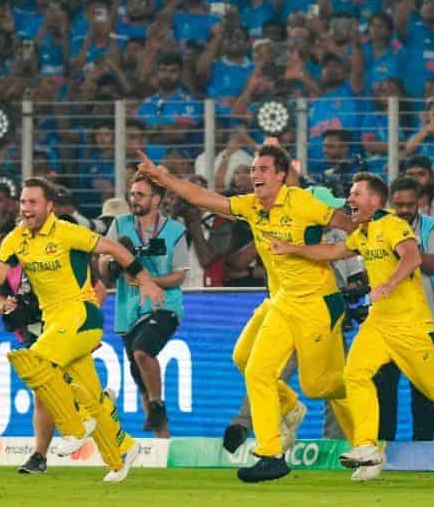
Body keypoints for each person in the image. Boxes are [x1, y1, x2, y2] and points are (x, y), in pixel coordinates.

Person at [138, 144, 356, 484]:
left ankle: (363, 431)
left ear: (282, 175)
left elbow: (352, 229)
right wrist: (164, 178)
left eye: (264, 169)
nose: (255, 175)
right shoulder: (252, 207)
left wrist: (330, 250)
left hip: (318, 304)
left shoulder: (304, 202)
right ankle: (271, 454)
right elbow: (201, 197)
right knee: (255, 367)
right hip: (284, 302)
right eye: (254, 170)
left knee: (321, 386)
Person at [269, 174, 434, 482]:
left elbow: (412, 257)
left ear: (374, 200)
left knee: (433, 387)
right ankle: (367, 447)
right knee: (354, 374)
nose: (350, 199)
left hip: (410, 324)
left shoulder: (394, 225)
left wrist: (388, 283)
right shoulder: (363, 232)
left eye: (356, 194)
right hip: (379, 323)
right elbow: (332, 252)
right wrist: (291, 249)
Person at [0, 178, 163, 484]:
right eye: (23, 203)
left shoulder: (66, 232)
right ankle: (122, 451)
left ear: (49, 206)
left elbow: (113, 247)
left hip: (81, 316)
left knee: (33, 361)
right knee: (92, 396)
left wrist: (145, 279)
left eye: (33, 203)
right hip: (55, 323)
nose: (26, 209)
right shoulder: (16, 238)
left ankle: (74, 427)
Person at [103, 173, 190, 438]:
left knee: (142, 351)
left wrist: (147, 280)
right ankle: (162, 443)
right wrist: (112, 264)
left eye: (140, 195)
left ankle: (157, 404)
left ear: (157, 199)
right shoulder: (119, 225)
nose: (134, 199)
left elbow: (179, 275)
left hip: (163, 304)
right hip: (129, 310)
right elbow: (102, 262)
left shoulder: (175, 230)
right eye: (132, 194)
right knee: (141, 379)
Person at [372, 177, 434, 441]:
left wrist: (409, 252)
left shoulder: (433, 227)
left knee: (427, 392)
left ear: (419, 202)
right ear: (390, 202)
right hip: (389, 322)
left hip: (429, 323)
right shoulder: (377, 228)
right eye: (399, 205)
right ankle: (383, 449)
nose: (405, 210)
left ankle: (423, 453)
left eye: (410, 204)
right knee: (383, 391)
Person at [0, 261, 54, 475]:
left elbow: (96, 289)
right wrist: (5, 306)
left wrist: (82, 320)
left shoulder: (58, 249)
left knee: (76, 392)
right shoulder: (13, 263)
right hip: (34, 334)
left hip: (63, 330)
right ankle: (39, 455)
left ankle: (114, 440)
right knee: (42, 393)